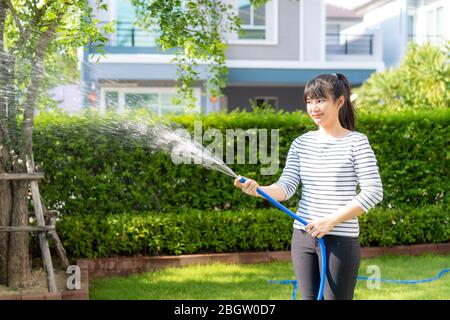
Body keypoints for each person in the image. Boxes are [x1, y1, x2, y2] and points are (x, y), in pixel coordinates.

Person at [234, 73, 383, 300]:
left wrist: (330, 221)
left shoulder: (357, 142)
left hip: (340, 239)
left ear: (340, 102)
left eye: (320, 100)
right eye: (309, 101)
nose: (314, 107)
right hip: (303, 237)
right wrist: (259, 189)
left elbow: (373, 192)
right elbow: (286, 187)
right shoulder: (301, 143)